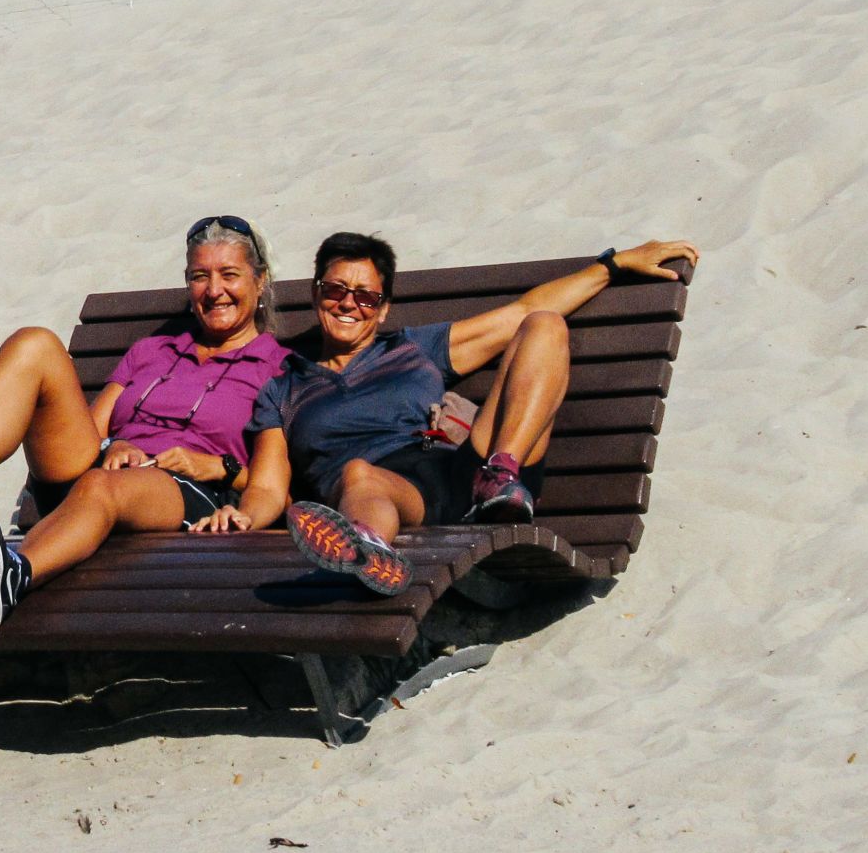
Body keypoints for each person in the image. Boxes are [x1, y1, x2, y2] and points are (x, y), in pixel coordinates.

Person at [0, 216, 290, 635]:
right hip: (100, 471)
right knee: (33, 343)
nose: (214, 290)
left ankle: (12, 578)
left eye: (229, 275)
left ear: (260, 280)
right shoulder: (153, 350)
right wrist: (114, 443)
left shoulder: (279, 369)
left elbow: (281, 486)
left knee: (101, 486)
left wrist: (215, 466)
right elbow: (91, 434)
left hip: (178, 493)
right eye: (199, 276)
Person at [195, 230, 699, 595]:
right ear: (316, 294)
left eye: (367, 296)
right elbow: (267, 485)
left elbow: (525, 313)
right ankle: (366, 551)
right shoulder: (283, 388)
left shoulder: (415, 349)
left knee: (545, 325)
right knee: (359, 474)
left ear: (384, 307)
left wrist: (611, 265)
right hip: (382, 492)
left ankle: (500, 476)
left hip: (459, 472)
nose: (350, 304)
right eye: (336, 290)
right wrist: (243, 515)